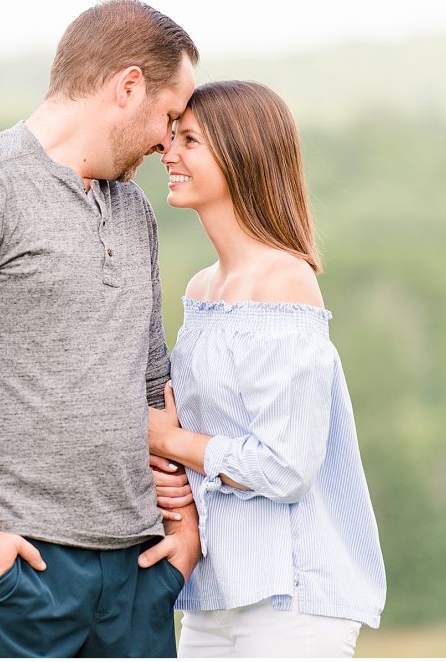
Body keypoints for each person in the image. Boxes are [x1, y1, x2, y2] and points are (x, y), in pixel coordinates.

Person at [0, 0, 202, 658]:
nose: (169, 141)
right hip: (20, 574)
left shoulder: (133, 210)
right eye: (169, 117)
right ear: (127, 85)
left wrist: (182, 535)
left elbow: (149, 382)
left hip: (137, 580)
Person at [146, 80, 387, 657]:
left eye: (189, 141)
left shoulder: (283, 282)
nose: (168, 154)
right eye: (170, 138)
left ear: (240, 154)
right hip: (216, 590)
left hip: (292, 597)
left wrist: (174, 442)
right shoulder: (204, 287)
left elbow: (286, 467)